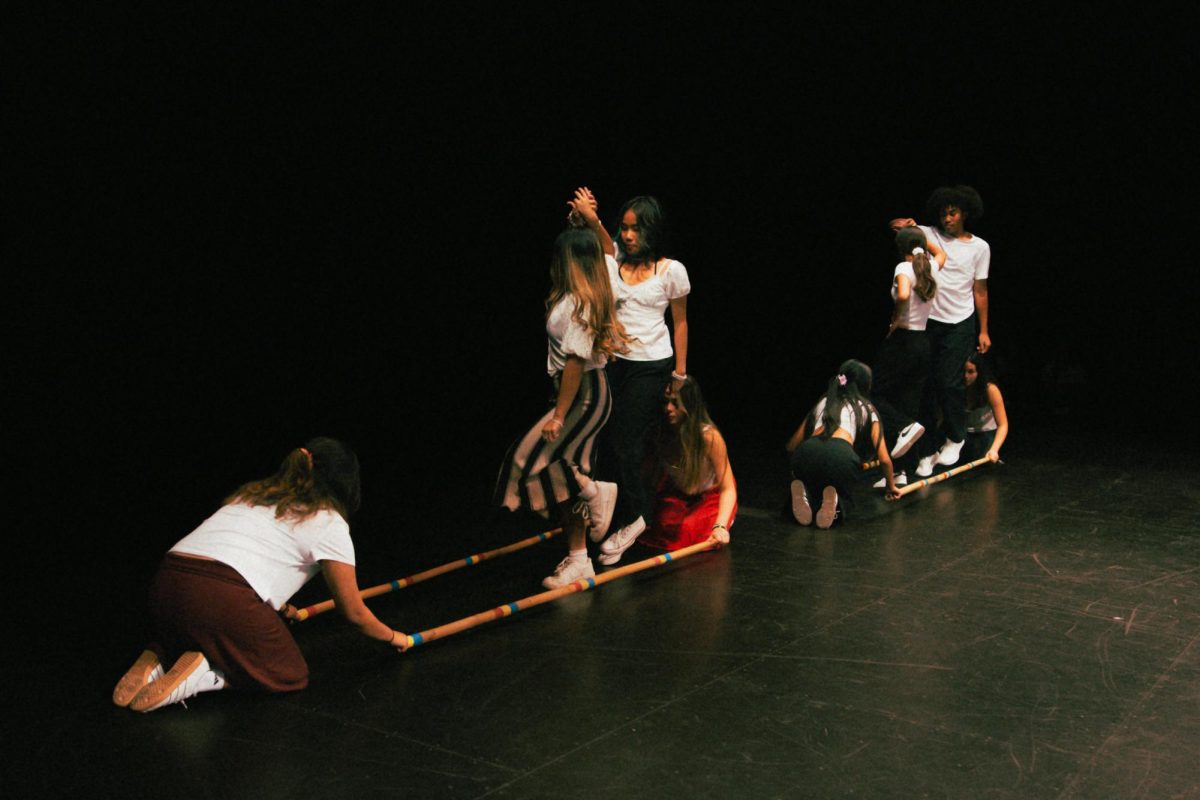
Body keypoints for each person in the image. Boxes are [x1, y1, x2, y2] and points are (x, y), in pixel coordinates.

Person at [112, 437, 405, 713]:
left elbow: (241, 553)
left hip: (166, 583)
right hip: (221, 595)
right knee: (289, 674)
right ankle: (202, 676)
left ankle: (161, 654)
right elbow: (352, 610)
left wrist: (270, 607)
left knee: (207, 627)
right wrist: (394, 637)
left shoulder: (253, 496)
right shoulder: (330, 523)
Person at [494, 220, 625, 589]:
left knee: (526, 458)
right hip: (578, 393)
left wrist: (559, 414)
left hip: (582, 393)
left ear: (572, 260)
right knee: (561, 474)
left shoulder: (582, 302)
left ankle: (596, 491)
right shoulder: (589, 290)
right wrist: (591, 223)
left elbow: (574, 364)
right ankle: (580, 559)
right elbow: (611, 254)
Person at [593, 195, 692, 560]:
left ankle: (637, 516)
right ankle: (617, 515)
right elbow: (604, 243)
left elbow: (679, 322)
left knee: (627, 440)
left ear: (652, 231)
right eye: (625, 227)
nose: (629, 235)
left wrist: (680, 373)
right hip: (614, 362)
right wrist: (590, 218)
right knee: (606, 440)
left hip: (651, 363)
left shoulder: (671, 270)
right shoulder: (615, 259)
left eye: (637, 228)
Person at [889, 185, 991, 476]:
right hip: (931, 320)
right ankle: (927, 450)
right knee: (926, 387)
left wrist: (984, 330)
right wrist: (907, 224)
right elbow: (896, 227)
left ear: (964, 214)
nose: (947, 219)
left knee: (949, 381)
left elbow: (980, 290)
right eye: (943, 213)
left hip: (961, 320)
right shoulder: (929, 234)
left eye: (953, 213)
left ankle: (956, 437)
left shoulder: (980, 247)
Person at [598, 376, 735, 564]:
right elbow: (647, 481)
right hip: (679, 493)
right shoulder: (660, 434)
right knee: (661, 529)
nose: (668, 409)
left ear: (689, 405)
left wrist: (720, 526)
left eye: (675, 403)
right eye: (666, 402)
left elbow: (728, 489)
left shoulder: (709, 437)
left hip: (710, 496)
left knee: (689, 531)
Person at [786, 360, 901, 528]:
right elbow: (884, 459)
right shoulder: (867, 408)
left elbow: (791, 445)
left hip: (806, 452)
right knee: (839, 492)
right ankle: (836, 505)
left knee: (814, 482)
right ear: (865, 384)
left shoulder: (824, 401)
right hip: (840, 455)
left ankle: (806, 495)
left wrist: (796, 470)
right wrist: (891, 486)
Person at [871, 226, 944, 488]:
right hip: (923, 343)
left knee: (876, 395)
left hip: (902, 341)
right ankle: (900, 471)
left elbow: (902, 294)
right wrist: (922, 232)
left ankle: (905, 426)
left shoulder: (904, 267)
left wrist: (896, 319)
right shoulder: (931, 267)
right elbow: (942, 253)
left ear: (901, 250)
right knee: (906, 402)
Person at [962, 352, 1009, 462]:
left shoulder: (990, 389)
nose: (965, 376)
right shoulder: (956, 388)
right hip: (964, 435)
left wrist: (994, 450)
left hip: (985, 436)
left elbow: (1003, 425)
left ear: (980, 372)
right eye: (963, 371)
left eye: (971, 372)